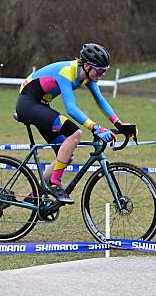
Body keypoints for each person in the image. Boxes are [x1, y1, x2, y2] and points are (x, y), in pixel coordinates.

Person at [16, 43, 135, 204]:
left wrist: (119, 123)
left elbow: (100, 100)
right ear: (86, 66)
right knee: (75, 134)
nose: (102, 74)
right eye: (99, 70)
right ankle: (55, 184)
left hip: (40, 104)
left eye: (105, 70)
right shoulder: (67, 72)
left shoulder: (87, 76)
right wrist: (95, 127)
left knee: (65, 156)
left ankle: (34, 196)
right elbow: (71, 108)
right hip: (28, 104)